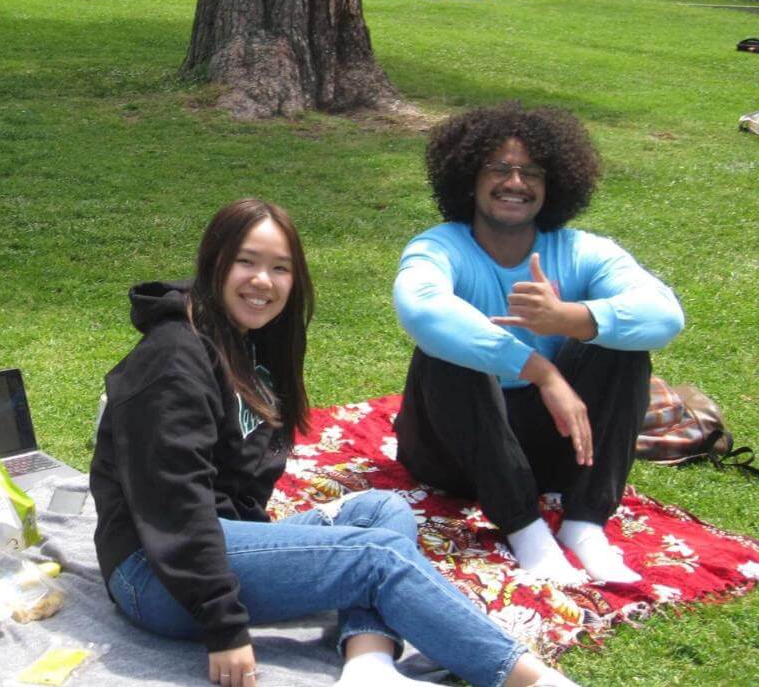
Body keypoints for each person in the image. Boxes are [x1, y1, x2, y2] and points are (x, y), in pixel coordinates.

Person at [92, 198, 581, 687]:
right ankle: (530, 679)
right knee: (377, 557)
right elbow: (173, 502)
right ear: (213, 261)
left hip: (214, 544)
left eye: (280, 268)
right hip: (154, 574)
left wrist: (283, 552)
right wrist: (224, 624)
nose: (263, 281)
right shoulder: (173, 357)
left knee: (382, 511)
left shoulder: (247, 342)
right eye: (246, 261)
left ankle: (369, 666)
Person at [393, 104, 685, 587]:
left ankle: (585, 523)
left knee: (622, 346)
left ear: (553, 185)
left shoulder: (582, 251)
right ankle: (524, 528)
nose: (515, 182)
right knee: (446, 349)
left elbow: (665, 315)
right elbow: (422, 309)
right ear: (468, 177)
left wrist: (570, 318)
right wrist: (540, 370)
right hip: (450, 452)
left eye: (531, 172)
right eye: (499, 169)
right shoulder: (440, 246)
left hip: (551, 452)